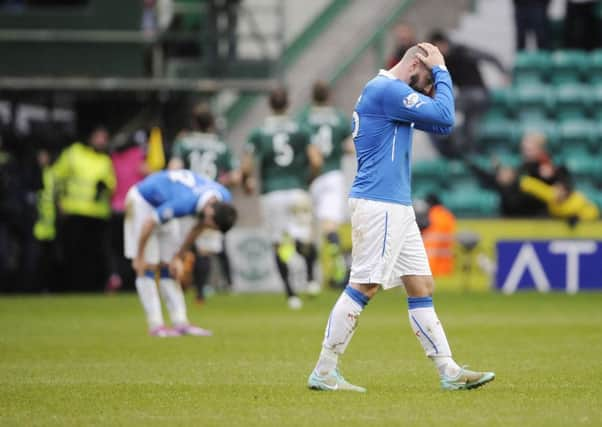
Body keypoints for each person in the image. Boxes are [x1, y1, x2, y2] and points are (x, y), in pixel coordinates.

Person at [307, 43, 495, 392]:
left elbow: (440, 127)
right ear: (413, 65)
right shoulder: (387, 90)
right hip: (380, 202)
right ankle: (324, 369)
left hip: (396, 204)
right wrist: (441, 68)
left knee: (421, 285)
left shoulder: (389, 94)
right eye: (426, 79)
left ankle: (448, 370)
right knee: (364, 285)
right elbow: (445, 117)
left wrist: (436, 75)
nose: (428, 88)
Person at [124, 169, 237, 337]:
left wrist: (179, 256)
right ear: (210, 213)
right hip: (143, 201)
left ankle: (180, 322)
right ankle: (156, 325)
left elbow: (199, 226)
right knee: (147, 265)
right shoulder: (184, 203)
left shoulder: (223, 198)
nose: (209, 229)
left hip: (166, 201)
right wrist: (138, 256)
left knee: (170, 266)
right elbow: (149, 222)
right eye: (211, 226)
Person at [241, 87, 323, 309]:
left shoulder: (259, 132)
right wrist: (308, 179)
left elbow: (247, 165)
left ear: (270, 104)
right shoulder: (301, 129)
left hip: (272, 193)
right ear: (288, 104)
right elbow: (316, 161)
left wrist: (246, 181)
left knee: (279, 243)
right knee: (304, 239)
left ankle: (291, 295)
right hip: (297, 190)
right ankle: (312, 280)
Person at [169, 105, 239, 304]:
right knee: (205, 250)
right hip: (212, 200)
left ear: (194, 122)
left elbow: (174, 169)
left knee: (184, 244)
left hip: (188, 198)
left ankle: (180, 286)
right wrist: (221, 182)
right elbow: (235, 175)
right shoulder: (221, 145)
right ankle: (200, 293)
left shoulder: (183, 143)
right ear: (211, 124)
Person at [298, 81, 353, 290]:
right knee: (330, 226)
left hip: (310, 176)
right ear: (329, 96)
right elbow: (349, 147)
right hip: (332, 175)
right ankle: (338, 268)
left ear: (312, 96)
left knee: (309, 229)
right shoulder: (339, 117)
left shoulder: (303, 117)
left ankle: (311, 278)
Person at [52, 126, 116, 292]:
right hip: (74, 212)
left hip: (97, 214)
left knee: (94, 256)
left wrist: (106, 186)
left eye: (104, 138)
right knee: (74, 255)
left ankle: (92, 288)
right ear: (90, 137)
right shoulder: (74, 153)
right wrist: (59, 202)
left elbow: (111, 184)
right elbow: (57, 176)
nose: (101, 141)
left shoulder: (105, 160)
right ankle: (71, 288)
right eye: (99, 137)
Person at [429, 31, 509, 156]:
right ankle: (466, 151)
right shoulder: (444, 62)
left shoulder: (463, 51)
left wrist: (504, 73)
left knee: (452, 117)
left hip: (476, 94)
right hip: (473, 97)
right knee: (469, 125)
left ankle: (459, 149)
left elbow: (490, 57)